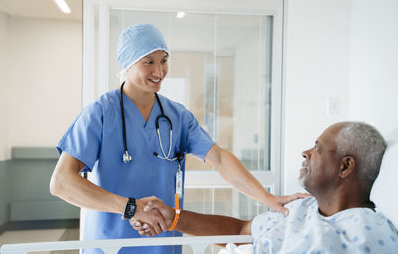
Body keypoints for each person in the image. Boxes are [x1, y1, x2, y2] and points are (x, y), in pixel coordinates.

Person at [49, 23, 304, 254]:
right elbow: (61, 182)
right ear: (128, 63)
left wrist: (267, 198)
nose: (159, 70)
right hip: (110, 245)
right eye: (148, 62)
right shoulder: (100, 113)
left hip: (163, 243)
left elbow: (220, 158)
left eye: (164, 60)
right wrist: (131, 207)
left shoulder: (177, 116)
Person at [137, 122, 398, 253]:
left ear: (345, 167)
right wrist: (174, 218)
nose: (305, 153)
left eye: (317, 148)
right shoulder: (300, 207)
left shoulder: (366, 233)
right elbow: (240, 231)